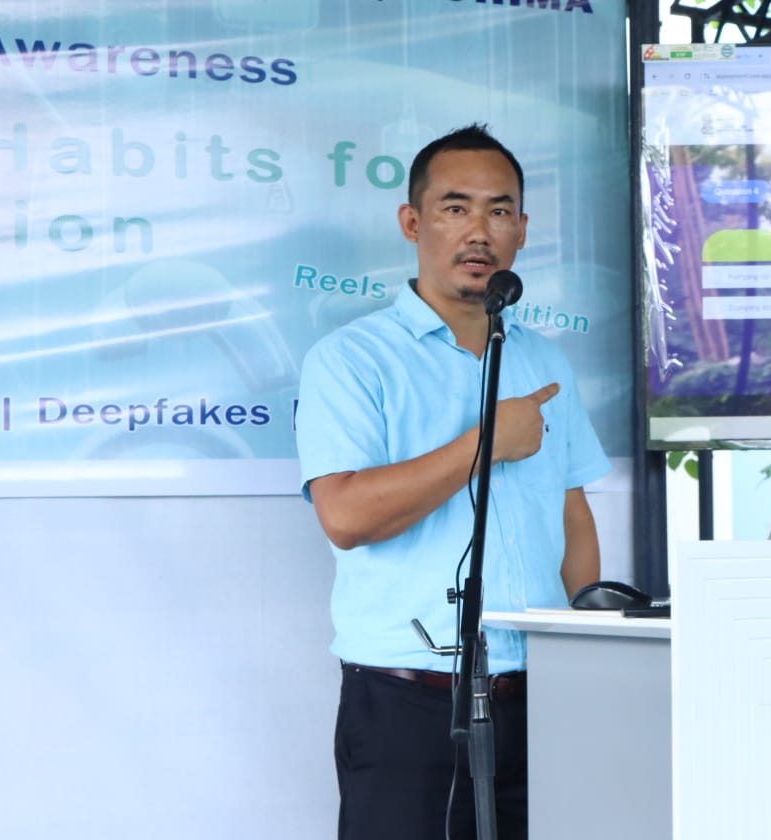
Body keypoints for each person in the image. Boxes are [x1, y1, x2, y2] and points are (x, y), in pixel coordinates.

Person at [295, 123, 611, 840]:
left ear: (522, 230)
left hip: (539, 696)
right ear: (413, 222)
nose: (479, 231)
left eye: (499, 211)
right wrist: (485, 444)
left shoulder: (544, 360)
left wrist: (586, 653)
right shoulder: (351, 360)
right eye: (455, 207)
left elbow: (573, 515)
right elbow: (345, 516)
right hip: (407, 702)